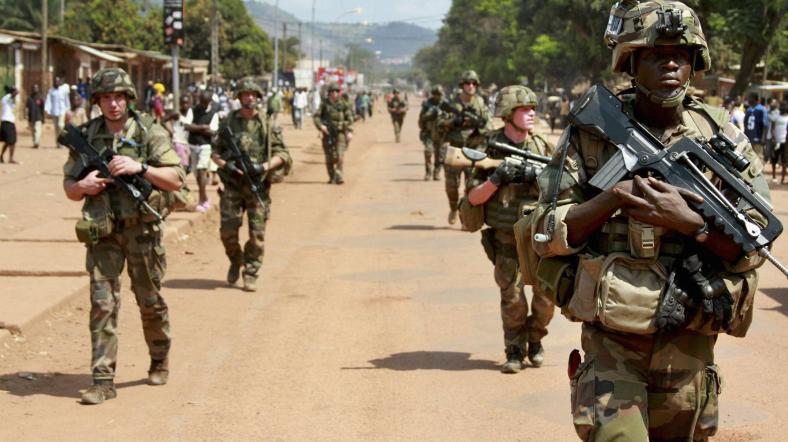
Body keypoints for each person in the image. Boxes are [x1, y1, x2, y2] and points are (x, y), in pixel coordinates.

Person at [527, 2, 770, 439]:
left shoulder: (722, 139)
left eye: (682, 53)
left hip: (690, 336)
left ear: (696, 63)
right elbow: (545, 232)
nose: (672, 62)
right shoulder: (593, 134)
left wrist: (690, 224)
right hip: (611, 340)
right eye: (657, 53)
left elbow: (753, 244)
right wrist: (612, 198)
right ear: (631, 61)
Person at [62, 68, 185, 405]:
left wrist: (139, 168)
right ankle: (102, 380)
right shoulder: (87, 136)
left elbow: (176, 179)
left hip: (142, 232)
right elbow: (70, 188)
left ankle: (159, 357)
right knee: (102, 304)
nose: (113, 104)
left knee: (150, 301)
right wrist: (81, 186)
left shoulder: (149, 132)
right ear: (98, 101)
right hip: (103, 234)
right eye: (106, 98)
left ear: (129, 99)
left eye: (118, 97)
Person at [466, 85, 555, 373]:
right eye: (524, 109)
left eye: (533, 109)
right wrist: (497, 178)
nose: (531, 114)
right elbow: (472, 198)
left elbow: (566, 188)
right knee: (513, 299)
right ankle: (514, 349)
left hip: (540, 236)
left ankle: (535, 339)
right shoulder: (488, 148)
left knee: (547, 299)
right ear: (508, 114)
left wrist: (537, 178)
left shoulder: (543, 146)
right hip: (506, 237)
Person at [211, 80, 292, 292]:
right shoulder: (228, 122)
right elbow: (215, 153)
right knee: (227, 233)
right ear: (239, 97)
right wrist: (226, 166)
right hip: (232, 186)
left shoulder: (267, 123)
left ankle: (251, 271)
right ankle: (236, 260)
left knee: (257, 234)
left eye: (252, 94)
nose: (249, 98)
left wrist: (263, 167)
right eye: (245, 94)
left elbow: (283, 154)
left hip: (258, 186)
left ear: (258, 97)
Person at [437, 70, 492, 224]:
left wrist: (478, 126)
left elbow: (489, 126)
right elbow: (439, 124)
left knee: (472, 187)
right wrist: (453, 122)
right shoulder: (452, 103)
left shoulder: (481, 103)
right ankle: (454, 208)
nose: (471, 86)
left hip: (473, 151)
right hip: (454, 150)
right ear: (462, 85)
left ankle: (465, 216)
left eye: (474, 83)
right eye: (468, 83)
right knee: (451, 186)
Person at [313, 82, 354, 184]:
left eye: (337, 91)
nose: (335, 93)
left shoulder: (343, 103)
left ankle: (339, 176)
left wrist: (349, 131)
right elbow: (316, 116)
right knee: (329, 157)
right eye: (333, 91)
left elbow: (350, 118)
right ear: (329, 93)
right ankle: (331, 176)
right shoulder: (324, 104)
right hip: (327, 133)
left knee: (340, 155)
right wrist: (321, 126)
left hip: (340, 133)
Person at [186, 90, 219, 212]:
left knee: (201, 170)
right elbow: (187, 126)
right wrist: (203, 127)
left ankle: (201, 199)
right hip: (193, 145)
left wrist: (195, 127)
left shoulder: (214, 113)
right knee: (196, 173)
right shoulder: (193, 110)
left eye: (206, 103)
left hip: (205, 146)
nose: (204, 105)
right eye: (202, 102)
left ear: (209, 102)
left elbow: (213, 131)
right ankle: (204, 197)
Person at [417, 85, 447, 180]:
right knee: (428, 152)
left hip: (441, 133)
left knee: (440, 155)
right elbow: (422, 118)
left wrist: (443, 115)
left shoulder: (445, 104)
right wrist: (430, 114)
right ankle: (428, 172)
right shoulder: (427, 105)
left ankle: (436, 173)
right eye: (436, 94)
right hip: (429, 133)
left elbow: (451, 117)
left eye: (440, 94)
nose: (438, 96)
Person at [45, 76, 70, 148]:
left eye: (58, 81)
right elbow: (48, 100)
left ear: (59, 82)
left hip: (62, 111)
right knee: (56, 128)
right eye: (55, 81)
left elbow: (66, 100)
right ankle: (58, 143)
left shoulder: (63, 90)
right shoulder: (51, 91)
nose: (57, 82)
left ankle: (62, 142)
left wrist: (68, 109)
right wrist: (47, 109)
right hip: (54, 111)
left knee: (61, 125)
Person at [768, 101, 788, 184]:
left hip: (785, 142)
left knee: (784, 161)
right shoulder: (776, 117)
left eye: (784, 108)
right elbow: (772, 128)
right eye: (782, 107)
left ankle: (783, 179)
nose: (783, 109)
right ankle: (774, 176)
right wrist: (773, 138)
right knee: (774, 159)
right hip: (776, 141)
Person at [744, 93, 768, 160]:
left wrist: (763, 138)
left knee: (758, 157)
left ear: (754, 99)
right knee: (748, 157)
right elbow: (745, 124)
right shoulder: (748, 110)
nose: (748, 100)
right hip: (749, 137)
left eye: (749, 98)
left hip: (758, 138)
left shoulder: (762, 109)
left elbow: (765, 125)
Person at [1, 85, 18, 163]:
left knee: (9, 141)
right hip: (7, 122)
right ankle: (9, 158)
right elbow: (15, 93)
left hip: (9, 121)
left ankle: (3, 156)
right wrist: (14, 90)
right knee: (11, 141)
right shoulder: (6, 98)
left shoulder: (8, 99)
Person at [26, 84, 45, 149]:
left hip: (38, 117)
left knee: (38, 130)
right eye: (34, 88)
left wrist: (43, 118)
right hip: (31, 117)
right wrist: (27, 117)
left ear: (38, 88)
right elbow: (27, 108)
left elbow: (42, 108)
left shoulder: (40, 97)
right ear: (32, 89)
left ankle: (37, 142)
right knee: (33, 131)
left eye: (36, 88)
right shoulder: (29, 98)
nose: (35, 89)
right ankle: (34, 142)